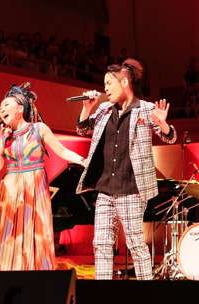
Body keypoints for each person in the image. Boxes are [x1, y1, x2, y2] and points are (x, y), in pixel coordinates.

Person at [75, 59, 176, 281]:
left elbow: (170, 137)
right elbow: (82, 130)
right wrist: (86, 108)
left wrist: (162, 124)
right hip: (104, 190)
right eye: (104, 84)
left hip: (131, 190)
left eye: (109, 83)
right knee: (101, 244)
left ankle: (145, 292)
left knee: (136, 245)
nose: (105, 88)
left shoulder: (146, 109)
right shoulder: (104, 109)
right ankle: (103, 292)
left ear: (124, 82)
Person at [0, 83, 86, 271]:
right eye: (0, 107)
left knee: (34, 234)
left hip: (33, 189)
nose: (1, 109)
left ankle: (34, 276)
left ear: (20, 109)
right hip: (10, 191)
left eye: (6, 105)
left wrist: (85, 161)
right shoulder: (4, 135)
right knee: (8, 236)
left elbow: (62, 151)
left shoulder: (39, 129)